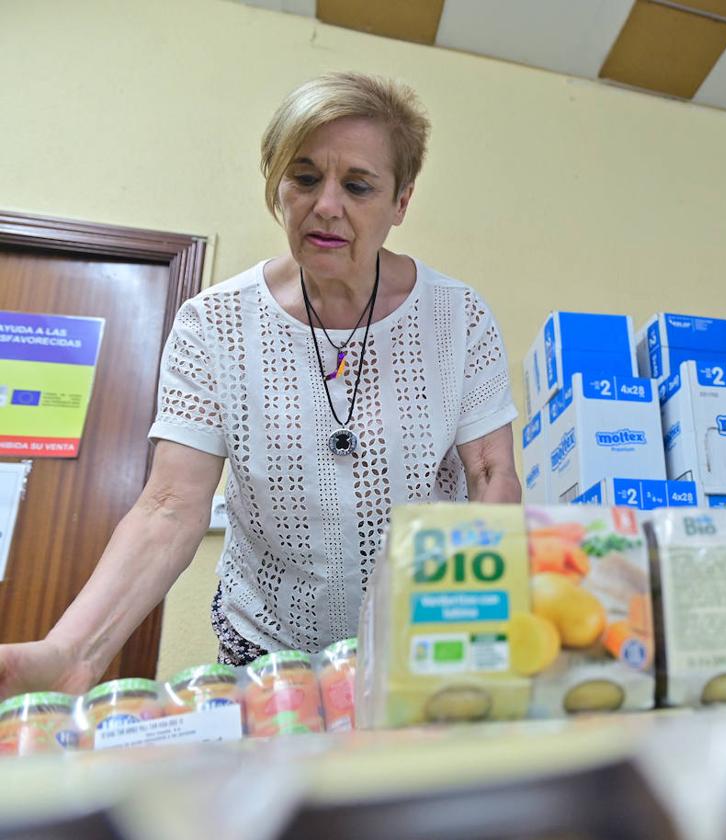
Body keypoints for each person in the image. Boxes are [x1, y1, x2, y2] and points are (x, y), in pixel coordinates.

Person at [0, 72, 521, 699]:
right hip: (269, 652)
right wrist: (74, 653)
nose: (326, 205)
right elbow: (170, 505)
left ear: (401, 202)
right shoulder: (212, 324)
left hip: (422, 639)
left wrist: (478, 622)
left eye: (358, 186)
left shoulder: (457, 317)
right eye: (304, 178)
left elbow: (492, 476)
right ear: (278, 184)